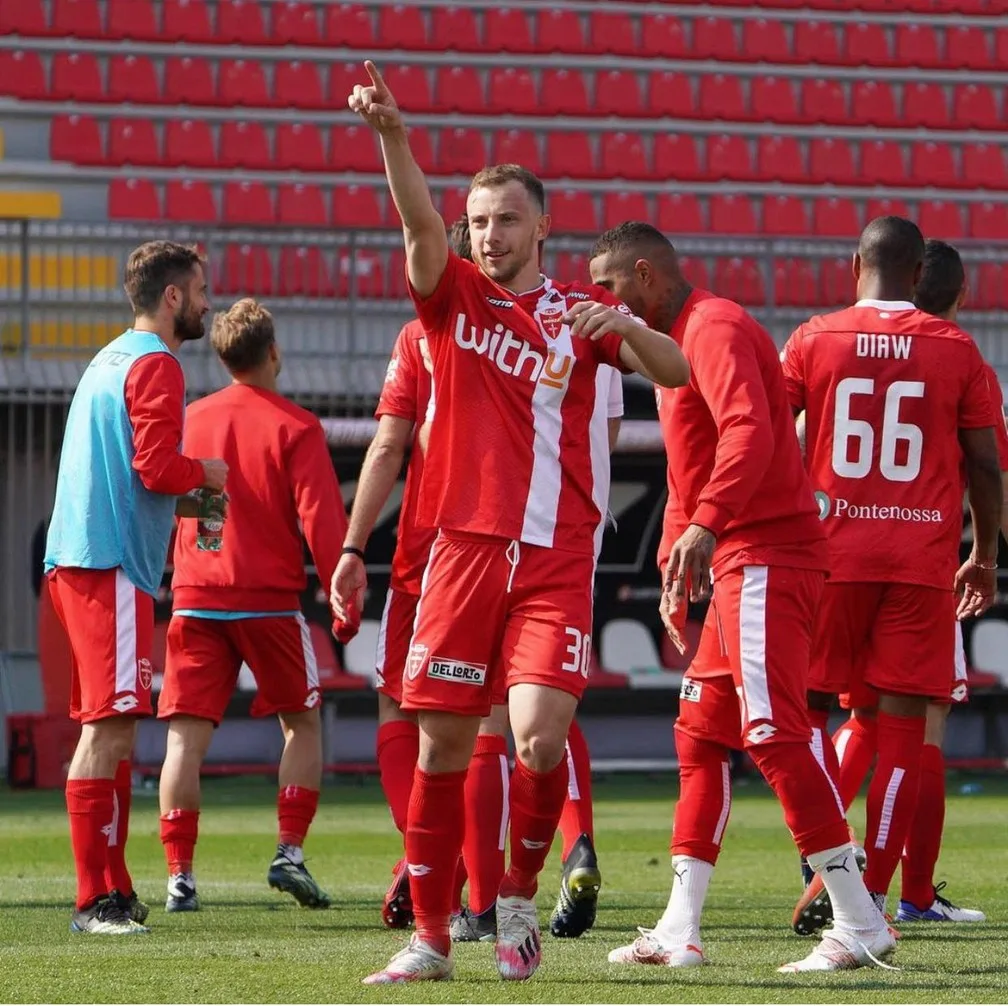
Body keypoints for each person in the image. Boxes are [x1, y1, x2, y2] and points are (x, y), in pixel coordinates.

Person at [334, 61, 689, 984]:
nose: (490, 236)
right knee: (443, 747)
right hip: (458, 553)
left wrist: (625, 328)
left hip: (553, 558)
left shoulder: (577, 314)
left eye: (507, 220)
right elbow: (416, 221)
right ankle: (432, 938)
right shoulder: (448, 298)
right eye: (479, 221)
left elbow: (675, 371)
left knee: (535, 738)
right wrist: (391, 133)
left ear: (543, 227)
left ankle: (520, 895)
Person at [588, 221, 892, 973]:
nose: (601, 302)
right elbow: (696, 460)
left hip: (765, 554)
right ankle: (678, 927)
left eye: (608, 286)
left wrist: (708, 528)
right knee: (700, 734)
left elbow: (752, 433)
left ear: (645, 276)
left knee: (776, 734)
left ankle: (860, 920)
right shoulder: (680, 339)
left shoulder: (712, 327)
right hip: (737, 560)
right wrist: (674, 554)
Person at [780, 219, 1002, 937]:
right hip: (919, 563)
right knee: (909, 732)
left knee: (812, 713)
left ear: (855, 263)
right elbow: (986, 464)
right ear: (920, 275)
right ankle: (870, 895)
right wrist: (987, 555)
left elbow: (769, 435)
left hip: (831, 558)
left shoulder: (814, 337)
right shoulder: (959, 349)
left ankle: (825, 861)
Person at [44, 241, 227, 934]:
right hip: (111, 564)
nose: (209, 303)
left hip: (83, 557)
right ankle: (94, 900)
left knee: (112, 732)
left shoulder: (110, 356)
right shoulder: (158, 363)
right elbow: (155, 467)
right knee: (108, 731)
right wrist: (206, 475)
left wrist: (187, 495)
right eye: (202, 290)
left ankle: (114, 889)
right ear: (173, 296)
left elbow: (129, 474)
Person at [157, 298, 348, 913]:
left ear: (221, 355)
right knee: (302, 723)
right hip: (267, 601)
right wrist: (341, 590)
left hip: (197, 595)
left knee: (184, 741)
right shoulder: (296, 426)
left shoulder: (194, 418)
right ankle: (288, 851)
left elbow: (192, 507)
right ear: (273, 352)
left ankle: (179, 878)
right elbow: (322, 519)